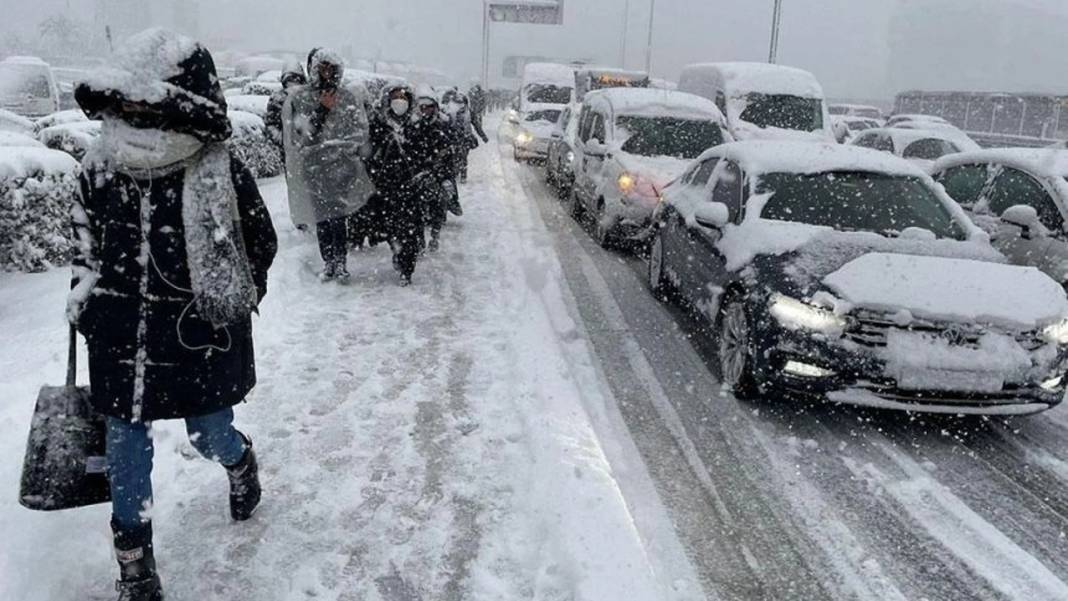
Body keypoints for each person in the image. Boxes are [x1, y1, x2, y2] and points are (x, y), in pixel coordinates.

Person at [69, 28, 277, 601]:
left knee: (209, 434)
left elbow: (259, 244)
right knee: (124, 450)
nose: (136, 114)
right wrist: (86, 300)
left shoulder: (217, 170)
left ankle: (239, 461)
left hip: (195, 337)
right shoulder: (99, 167)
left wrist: (225, 299)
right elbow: (85, 245)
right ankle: (135, 565)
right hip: (119, 336)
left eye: (149, 103)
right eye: (127, 102)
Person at [283, 48, 375, 281]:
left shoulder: (347, 97)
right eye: (322, 68)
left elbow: (359, 131)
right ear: (314, 70)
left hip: (342, 167)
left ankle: (340, 262)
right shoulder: (302, 97)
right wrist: (322, 110)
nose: (327, 73)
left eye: (331, 68)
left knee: (338, 216)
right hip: (314, 167)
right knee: (322, 216)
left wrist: (345, 150)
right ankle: (329, 262)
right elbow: (302, 135)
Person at [367, 84, 423, 285]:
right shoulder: (379, 124)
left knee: (409, 229)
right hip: (386, 186)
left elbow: (423, 154)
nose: (400, 101)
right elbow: (370, 153)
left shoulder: (416, 125)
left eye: (403, 97)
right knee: (391, 228)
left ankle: (407, 268)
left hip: (410, 187)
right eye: (396, 97)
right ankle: (397, 252)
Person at [408, 88, 456, 253]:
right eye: (422, 106)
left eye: (428, 106)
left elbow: (449, 153)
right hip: (419, 175)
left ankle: (435, 236)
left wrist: (445, 177)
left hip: (438, 174)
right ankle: (420, 240)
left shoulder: (443, 125)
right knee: (417, 211)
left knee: (438, 207)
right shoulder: (413, 127)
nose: (425, 110)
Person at [264, 60, 307, 160]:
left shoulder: (308, 98)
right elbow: (270, 124)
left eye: (296, 81)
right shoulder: (277, 98)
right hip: (285, 151)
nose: (293, 85)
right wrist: (282, 139)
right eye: (289, 82)